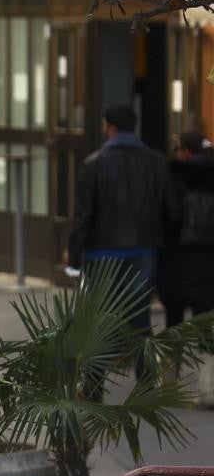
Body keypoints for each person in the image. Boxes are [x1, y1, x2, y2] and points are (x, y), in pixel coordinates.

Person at [67, 104, 172, 366]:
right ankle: (146, 386)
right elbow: (171, 209)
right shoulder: (157, 162)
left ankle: (94, 391)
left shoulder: (94, 164)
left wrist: (74, 257)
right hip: (144, 250)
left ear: (110, 128)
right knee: (140, 319)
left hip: (103, 252)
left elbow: (83, 216)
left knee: (99, 321)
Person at [159, 130, 214, 327]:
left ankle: (174, 348)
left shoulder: (173, 174)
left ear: (184, 150)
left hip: (177, 250)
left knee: (174, 308)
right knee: (206, 302)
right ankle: (205, 344)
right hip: (208, 253)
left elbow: (166, 213)